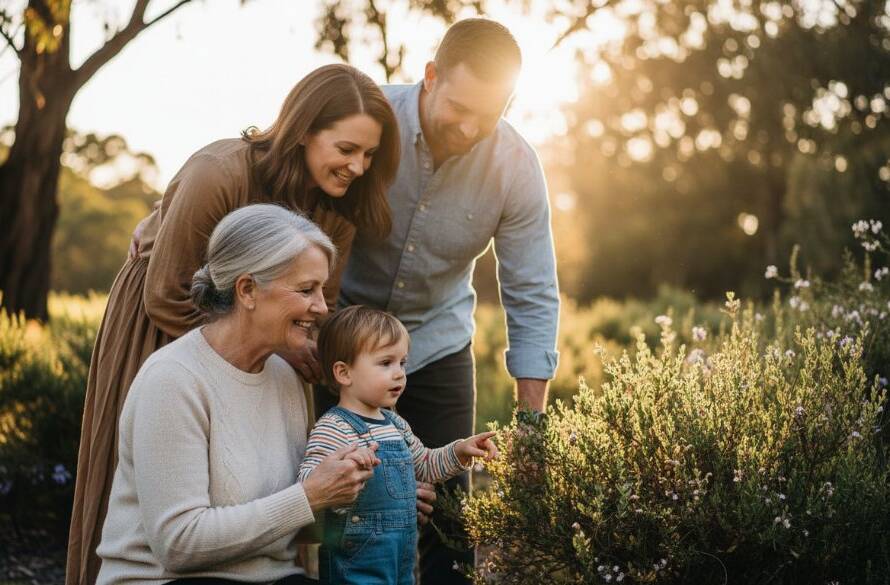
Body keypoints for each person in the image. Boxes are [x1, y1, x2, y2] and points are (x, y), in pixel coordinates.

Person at [67, 63, 401, 585]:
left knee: (256, 480)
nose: (358, 166)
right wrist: (255, 354)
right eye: (346, 149)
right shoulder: (219, 172)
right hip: (170, 318)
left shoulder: (337, 208)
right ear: (304, 132)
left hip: (265, 340)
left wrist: (385, 493)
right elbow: (167, 292)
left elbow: (317, 312)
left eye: (369, 155)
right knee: (160, 485)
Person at [313, 18, 561, 584]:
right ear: (430, 77)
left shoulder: (516, 168)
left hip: (436, 347)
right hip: (337, 343)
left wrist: (532, 423)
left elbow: (532, 288)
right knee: (337, 511)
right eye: (460, 107)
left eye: (490, 113)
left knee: (447, 525)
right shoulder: (371, 121)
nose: (472, 128)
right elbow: (281, 160)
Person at [95, 204, 378, 585]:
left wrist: (376, 502)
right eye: (306, 289)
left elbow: (291, 525)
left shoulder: (285, 378)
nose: (322, 307)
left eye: (322, 290)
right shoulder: (173, 381)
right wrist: (309, 496)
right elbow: (178, 544)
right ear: (247, 290)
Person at [300, 305, 498, 584]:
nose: (399, 374)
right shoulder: (334, 428)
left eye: (402, 363)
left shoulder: (395, 424)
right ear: (344, 373)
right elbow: (310, 485)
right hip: (354, 570)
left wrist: (458, 451)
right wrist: (345, 471)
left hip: (400, 566)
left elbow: (425, 465)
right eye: (385, 363)